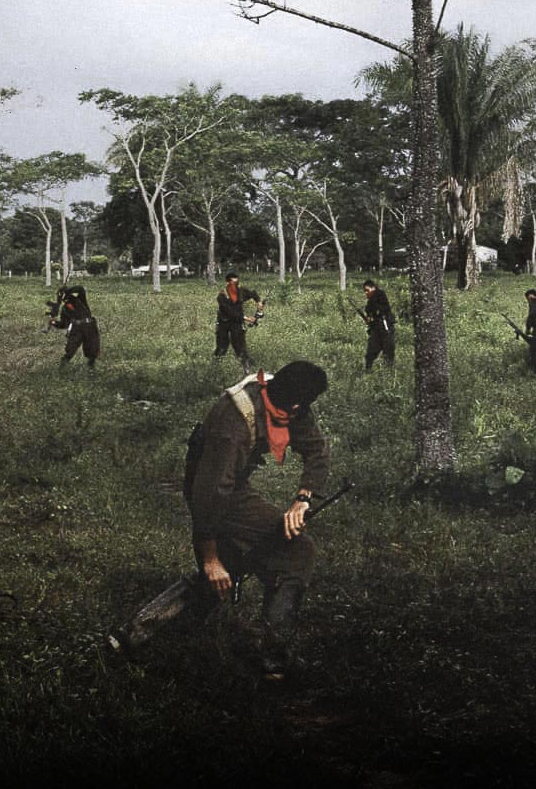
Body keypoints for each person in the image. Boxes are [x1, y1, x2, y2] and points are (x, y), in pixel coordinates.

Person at [128, 361, 333, 682]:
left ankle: (142, 634)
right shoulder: (234, 422)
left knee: (239, 561)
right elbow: (209, 495)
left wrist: (302, 499)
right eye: (300, 408)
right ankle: (269, 654)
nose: (302, 413)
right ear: (292, 403)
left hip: (232, 486)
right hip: (208, 488)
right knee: (288, 553)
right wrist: (209, 559)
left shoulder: (287, 397)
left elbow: (317, 450)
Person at [47, 283, 100, 370]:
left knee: (92, 352)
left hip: (90, 327)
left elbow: (80, 288)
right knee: (70, 350)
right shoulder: (64, 309)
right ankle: (61, 369)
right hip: (77, 329)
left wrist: (68, 290)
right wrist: (53, 322)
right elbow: (64, 324)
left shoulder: (80, 299)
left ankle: (91, 369)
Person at [214, 273, 256, 373]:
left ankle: (247, 368)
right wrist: (246, 318)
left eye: (237, 282)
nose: (236, 285)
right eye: (233, 283)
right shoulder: (222, 295)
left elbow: (252, 294)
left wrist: (258, 302)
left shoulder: (240, 290)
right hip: (224, 323)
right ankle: (215, 369)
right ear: (227, 282)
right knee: (221, 347)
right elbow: (230, 312)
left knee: (240, 346)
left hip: (237, 324)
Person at [361, 279, 396, 370]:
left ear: (373, 288)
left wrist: (373, 313)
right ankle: (368, 371)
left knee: (388, 350)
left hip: (386, 327)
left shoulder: (380, 295)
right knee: (371, 352)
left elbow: (383, 309)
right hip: (376, 329)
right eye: (365, 291)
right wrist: (368, 317)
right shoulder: (370, 300)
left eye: (367, 290)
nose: (366, 293)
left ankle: (388, 373)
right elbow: (369, 310)